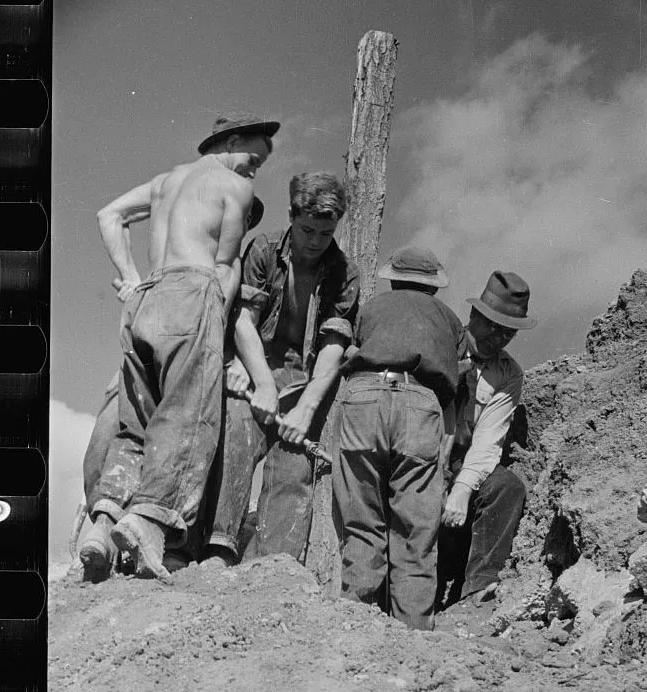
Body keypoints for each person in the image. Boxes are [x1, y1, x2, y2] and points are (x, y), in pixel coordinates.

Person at [77, 114, 278, 582]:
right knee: (188, 420)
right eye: (253, 159)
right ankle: (150, 522)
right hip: (193, 294)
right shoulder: (233, 186)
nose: (254, 172)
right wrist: (214, 325)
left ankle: (103, 524)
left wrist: (130, 279)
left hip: (145, 300)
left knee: (135, 424)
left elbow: (109, 215)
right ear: (230, 142)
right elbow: (225, 268)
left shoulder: (165, 181)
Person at [214, 170, 360, 565]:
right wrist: (259, 381)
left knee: (294, 462)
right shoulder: (263, 249)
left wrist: (306, 408)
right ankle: (218, 547)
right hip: (257, 361)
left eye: (324, 235)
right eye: (307, 230)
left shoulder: (345, 273)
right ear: (293, 216)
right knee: (239, 433)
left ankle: (272, 566)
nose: (314, 242)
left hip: (304, 376)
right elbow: (243, 320)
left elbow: (334, 346)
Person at [334, 246, 466, 631]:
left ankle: (356, 629)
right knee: (415, 532)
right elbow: (456, 384)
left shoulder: (370, 309)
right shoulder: (450, 320)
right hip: (420, 403)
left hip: (362, 397)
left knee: (361, 522)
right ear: (434, 288)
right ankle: (413, 637)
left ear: (393, 278)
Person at [436, 271, 536, 607]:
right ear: (474, 315)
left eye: (509, 331)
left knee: (507, 487)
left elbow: (488, 439)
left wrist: (462, 488)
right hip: (423, 452)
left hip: (465, 460)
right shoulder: (442, 344)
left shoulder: (509, 374)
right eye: (493, 325)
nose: (499, 337)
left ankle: (477, 594)